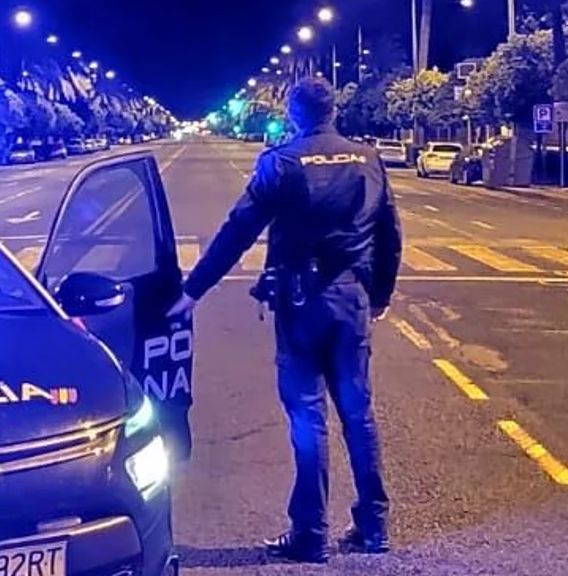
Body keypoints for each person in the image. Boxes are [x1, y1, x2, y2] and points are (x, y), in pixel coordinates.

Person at [169, 76, 401, 562]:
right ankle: (374, 527)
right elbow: (389, 235)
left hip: (301, 304)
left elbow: (238, 231)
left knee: (307, 416)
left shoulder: (280, 163)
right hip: (352, 300)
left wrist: (192, 292)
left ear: (293, 114)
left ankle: (310, 535)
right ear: (333, 111)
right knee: (359, 415)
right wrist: (378, 296)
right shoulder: (369, 159)